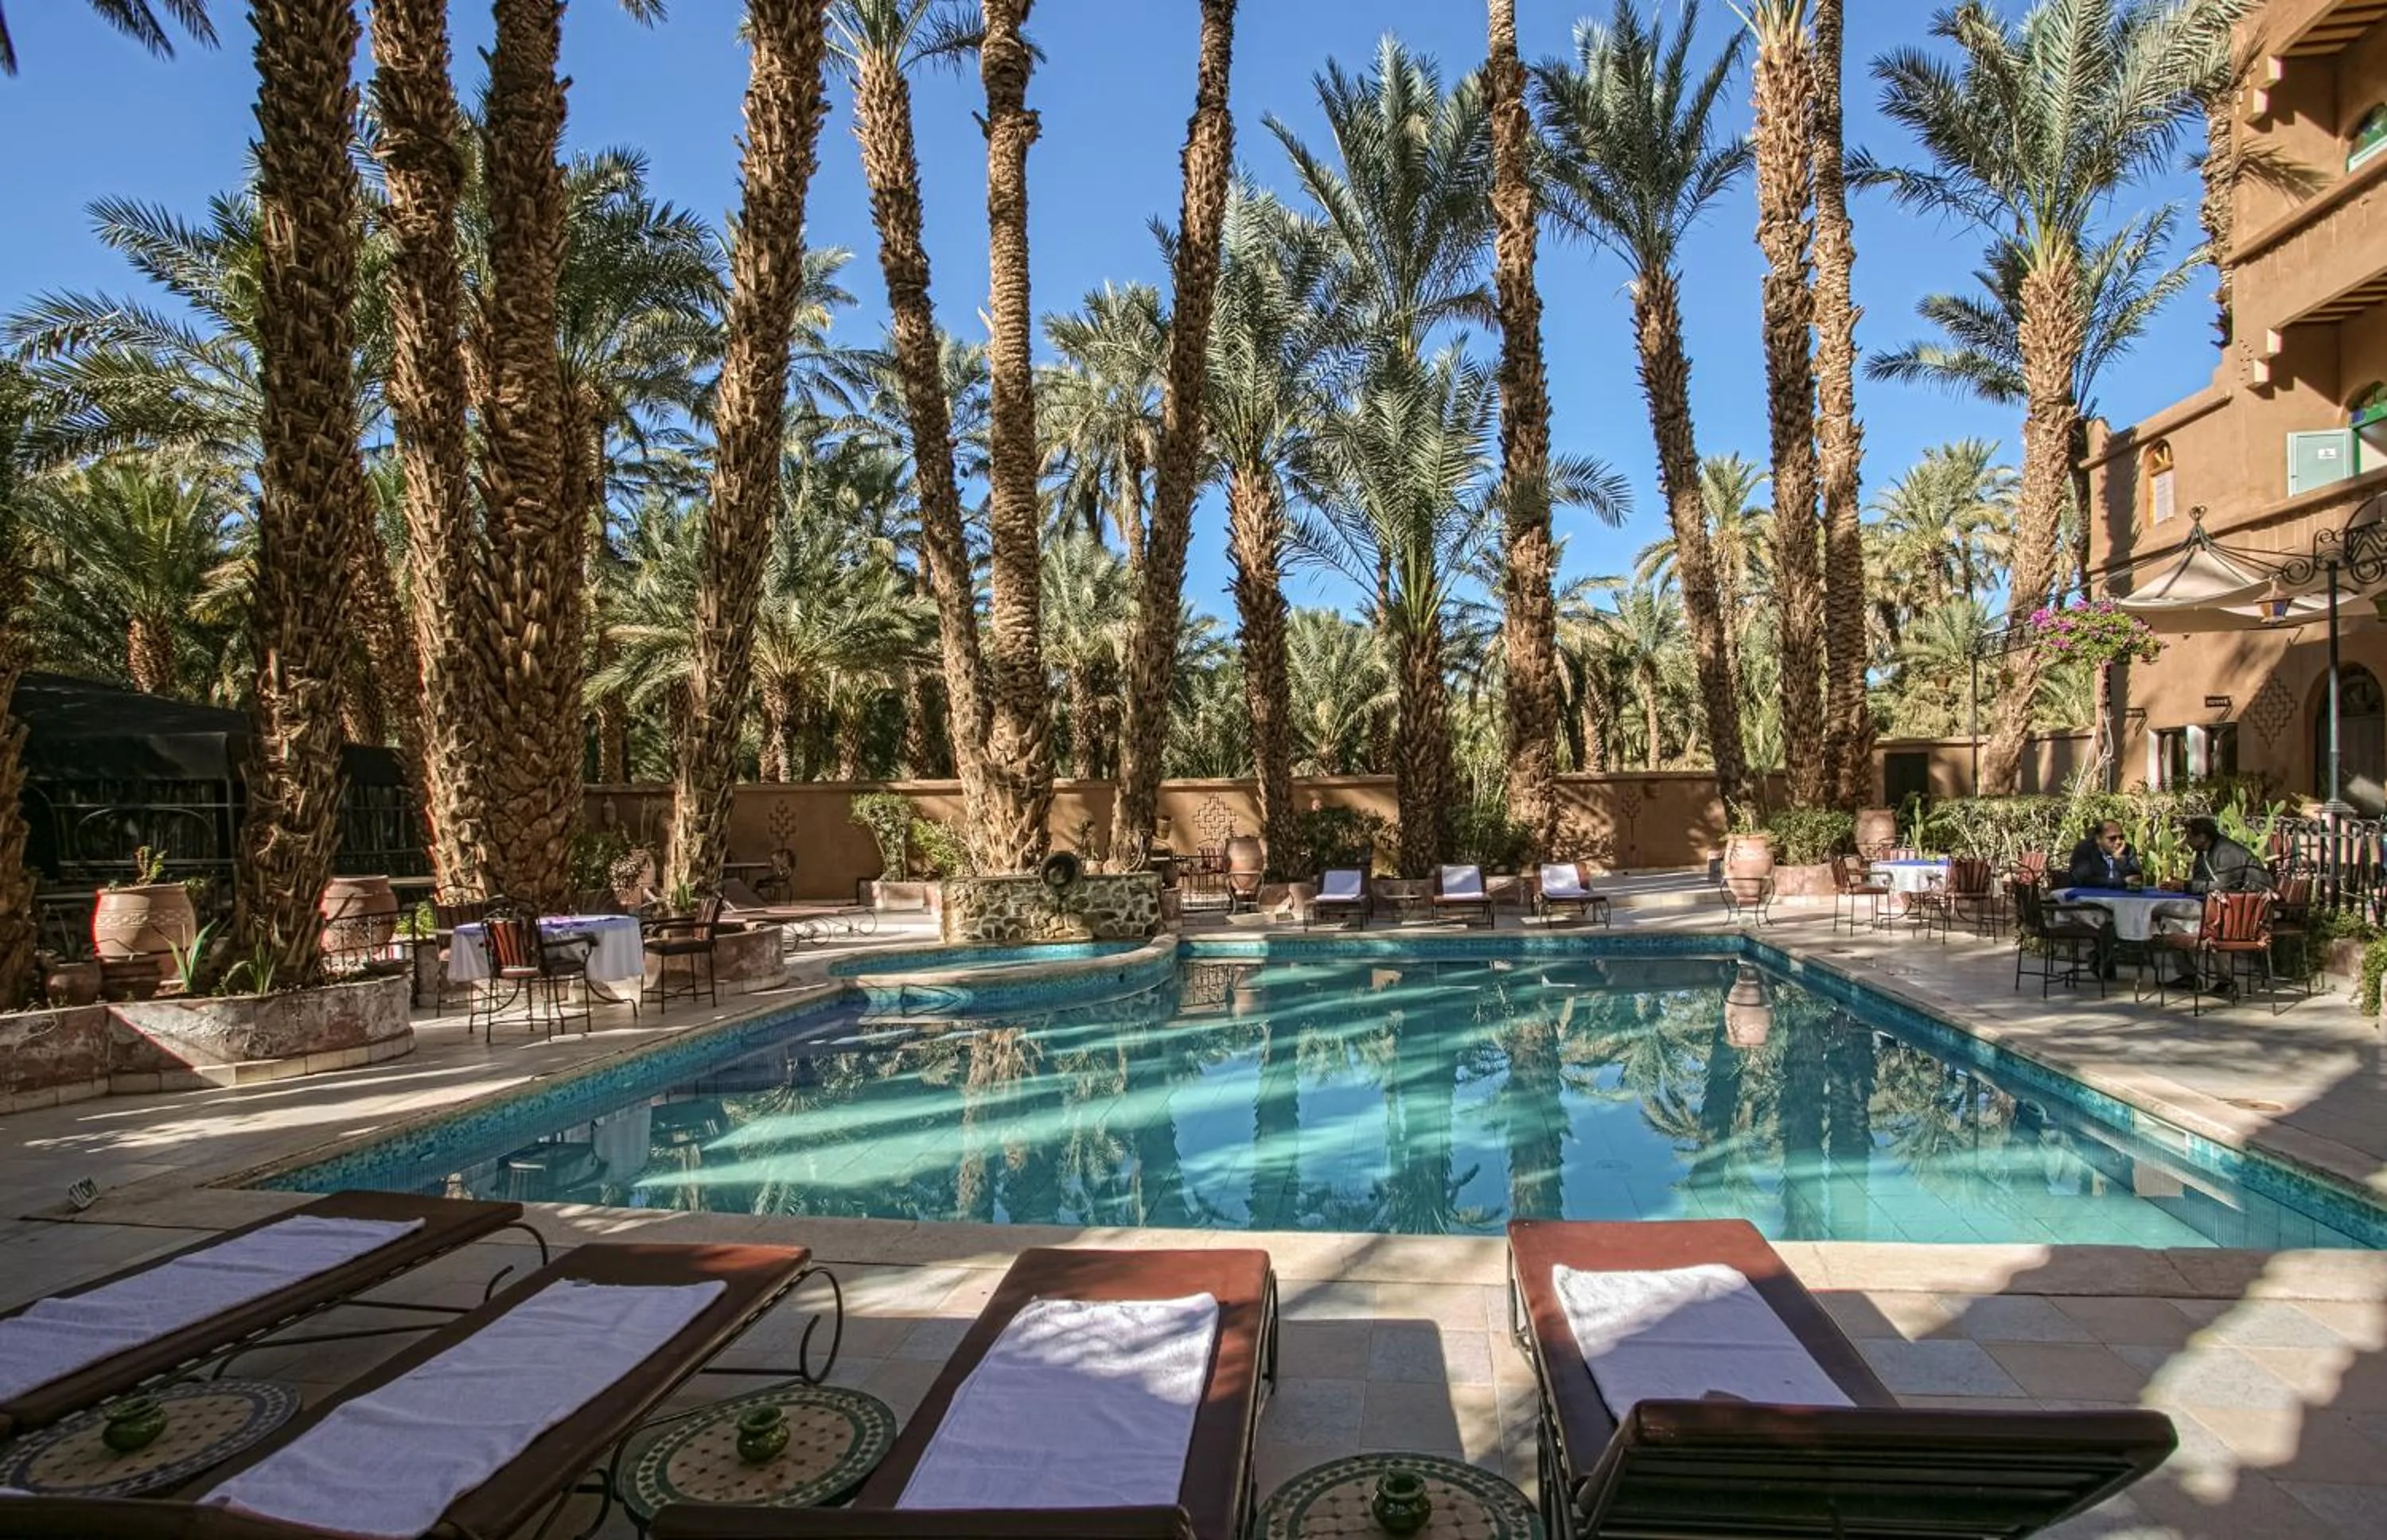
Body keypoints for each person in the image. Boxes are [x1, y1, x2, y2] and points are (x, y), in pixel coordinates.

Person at [2150, 817, 2272, 994]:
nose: (2186, 841)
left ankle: (2225, 980)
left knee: (2213, 926)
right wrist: (2182, 884)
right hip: (2223, 905)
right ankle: (2189, 975)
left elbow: (2225, 886)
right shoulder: (2203, 852)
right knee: (2169, 919)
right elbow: (2200, 881)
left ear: (2202, 837)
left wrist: (2186, 886)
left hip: (2250, 909)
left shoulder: (2226, 851)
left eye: (2189, 837)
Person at [2064, 821, 2142, 889]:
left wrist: (2120, 860)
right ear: (2098, 839)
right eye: (2112, 838)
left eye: (2121, 837)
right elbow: (2084, 880)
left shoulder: (2128, 850)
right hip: (2087, 897)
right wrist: (2121, 882)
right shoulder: (2084, 848)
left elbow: (2136, 878)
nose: (2118, 842)